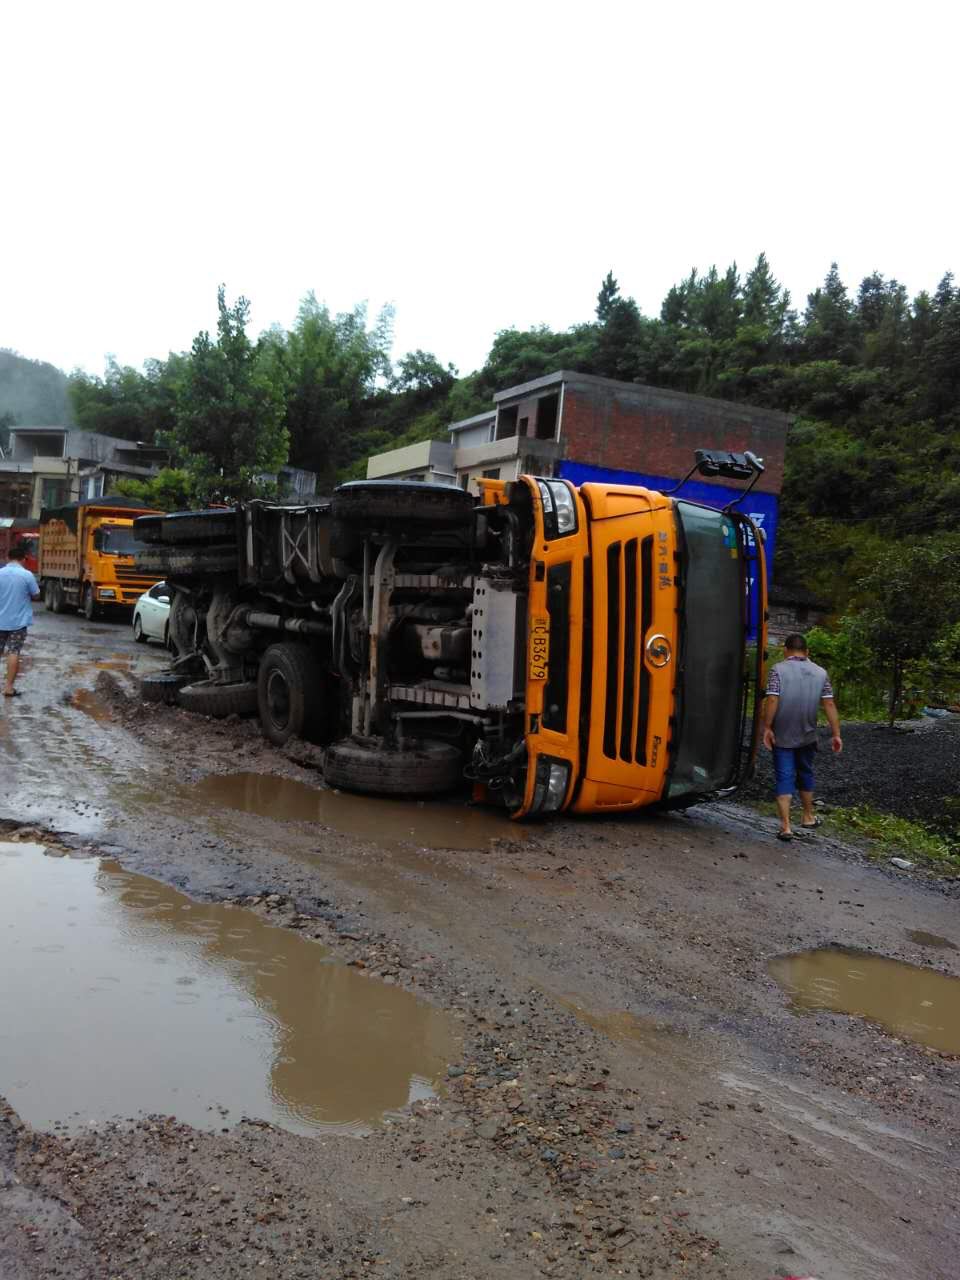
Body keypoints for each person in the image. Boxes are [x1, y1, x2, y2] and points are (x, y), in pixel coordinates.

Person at [762, 632, 842, 841]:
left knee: (784, 776)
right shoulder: (820, 673)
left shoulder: (777, 670)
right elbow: (829, 704)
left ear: (785, 650)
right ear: (807, 652)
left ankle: (786, 827)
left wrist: (767, 727)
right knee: (805, 772)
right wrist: (836, 734)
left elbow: (772, 700)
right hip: (808, 734)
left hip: (783, 735)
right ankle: (808, 816)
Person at [0, 542, 41, 697]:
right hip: (18, 622)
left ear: (7, 558)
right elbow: (36, 594)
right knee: (14, 651)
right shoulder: (27, 575)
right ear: (23, 559)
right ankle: (9, 688)